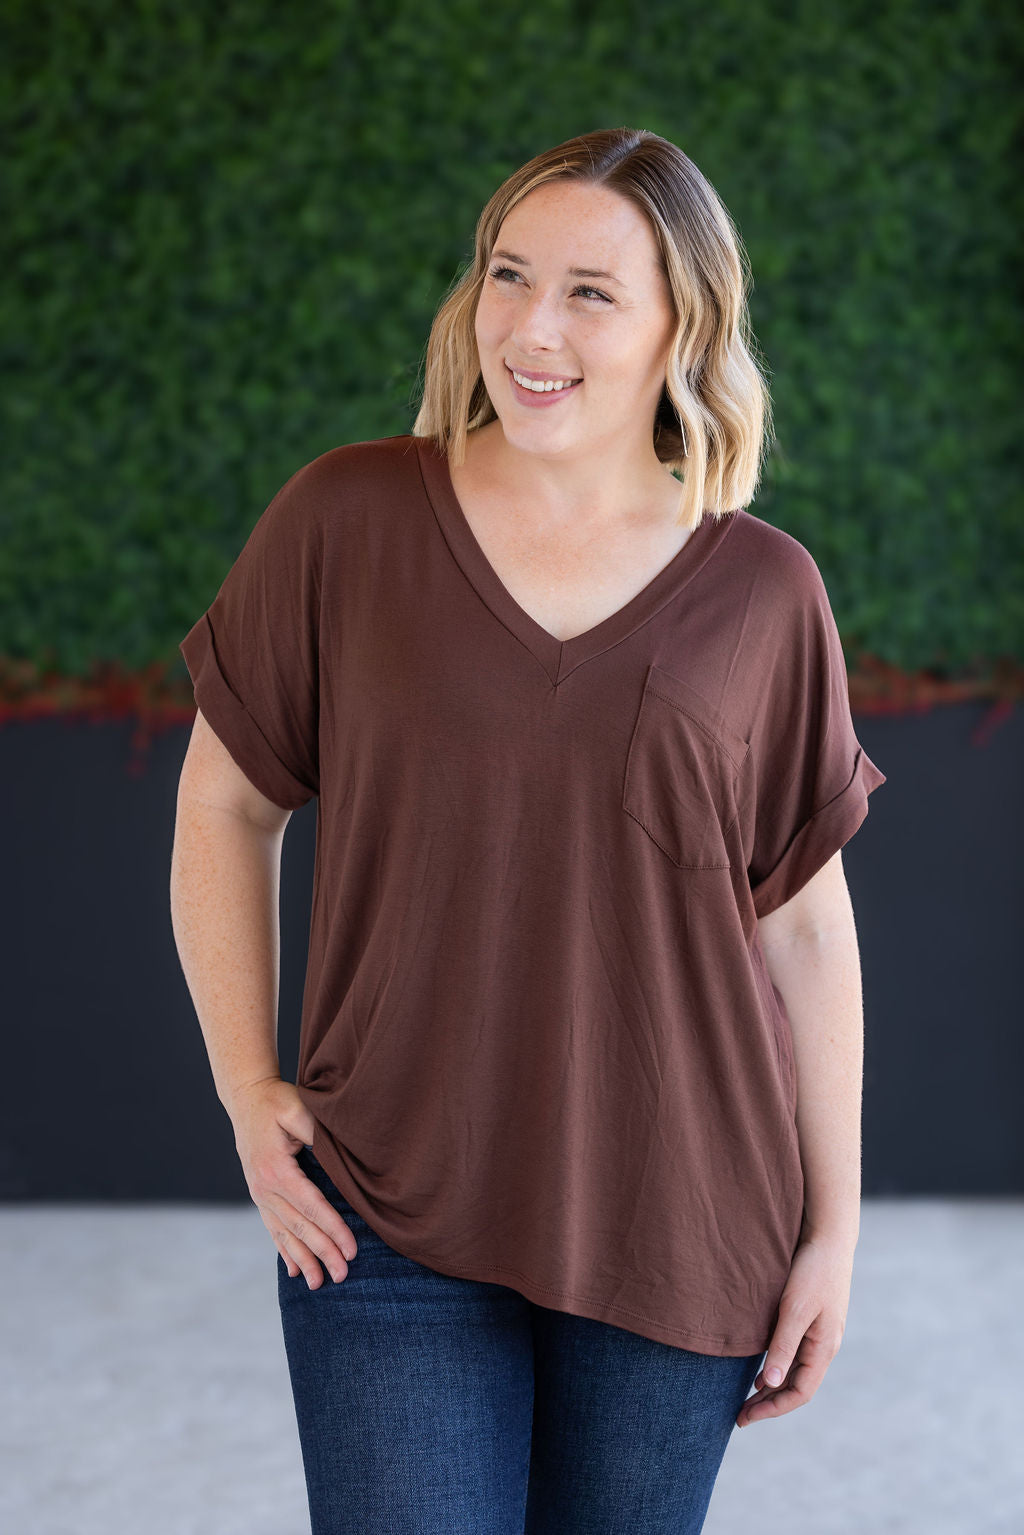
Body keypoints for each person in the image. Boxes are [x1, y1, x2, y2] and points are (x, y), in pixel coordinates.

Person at [171, 126, 886, 1534]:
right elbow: (223, 804)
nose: (531, 328)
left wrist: (836, 1231)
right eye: (508, 275)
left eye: (590, 293)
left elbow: (805, 927)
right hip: (385, 1208)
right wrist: (247, 1089)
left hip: (683, 1219)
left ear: (685, 324)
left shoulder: (764, 590)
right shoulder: (346, 519)